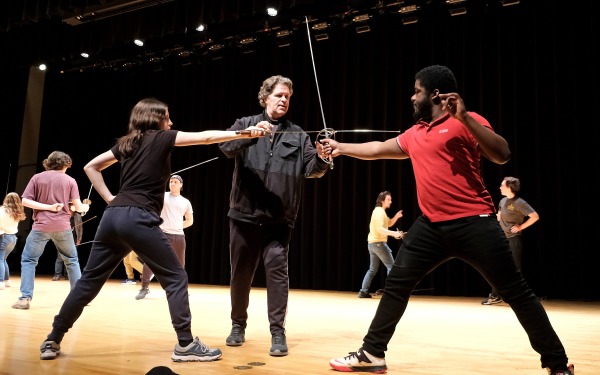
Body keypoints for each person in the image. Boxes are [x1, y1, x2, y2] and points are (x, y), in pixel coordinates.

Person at [322, 65, 573, 375]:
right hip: (430, 226)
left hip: (475, 222)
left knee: (516, 292)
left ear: (435, 94)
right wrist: (340, 148)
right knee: (397, 283)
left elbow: (502, 154)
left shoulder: (466, 121)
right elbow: (376, 149)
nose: (412, 97)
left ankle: (557, 364)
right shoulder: (415, 134)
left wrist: (464, 117)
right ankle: (372, 354)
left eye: (416, 91)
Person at [39, 97, 268, 362]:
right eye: (167, 117)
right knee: (176, 278)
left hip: (112, 218)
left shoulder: (127, 143)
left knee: (88, 283)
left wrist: (111, 199)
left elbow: (91, 166)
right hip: (138, 218)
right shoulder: (161, 137)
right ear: (155, 118)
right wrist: (245, 132)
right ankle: (185, 344)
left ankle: (52, 339)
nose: (171, 122)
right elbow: (205, 138)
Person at [218, 75, 331, 357]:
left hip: (279, 221)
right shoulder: (245, 124)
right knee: (240, 275)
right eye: (279, 95)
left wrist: (322, 157)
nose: (284, 100)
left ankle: (277, 332)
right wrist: (250, 135)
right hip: (243, 216)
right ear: (265, 97)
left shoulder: (299, 134)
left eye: (288, 97)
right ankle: (237, 325)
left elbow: (312, 169)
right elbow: (225, 147)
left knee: (278, 276)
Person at [12, 151, 90, 310]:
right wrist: (84, 207)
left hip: (41, 226)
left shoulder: (38, 178)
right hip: (62, 227)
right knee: (72, 260)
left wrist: (47, 207)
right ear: (66, 164)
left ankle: (24, 298)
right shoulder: (70, 180)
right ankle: (79, 298)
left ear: (49, 163)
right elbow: (78, 207)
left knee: (29, 260)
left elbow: (25, 201)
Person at [482, 176, 540, 305]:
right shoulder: (502, 201)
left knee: (515, 270)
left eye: (502, 185)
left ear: (509, 187)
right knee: (497, 267)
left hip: (514, 239)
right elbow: (499, 216)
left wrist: (521, 226)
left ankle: (520, 298)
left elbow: (535, 216)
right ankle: (495, 296)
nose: (500, 187)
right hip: (502, 239)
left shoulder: (520, 203)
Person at [136, 174, 193, 300]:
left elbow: (190, 220)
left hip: (179, 236)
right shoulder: (163, 196)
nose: (172, 184)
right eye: (171, 181)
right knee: (151, 261)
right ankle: (144, 288)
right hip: (162, 234)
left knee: (180, 265)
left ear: (181, 185)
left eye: (175, 182)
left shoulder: (185, 202)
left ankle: (181, 289)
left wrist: (178, 226)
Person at [358, 191, 404, 299]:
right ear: (382, 200)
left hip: (373, 244)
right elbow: (380, 229)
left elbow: (388, 224)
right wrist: (394, 234)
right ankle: (390, 293)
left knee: (372, 269)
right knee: (391, 267)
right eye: (388, 199)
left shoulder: (381, 211)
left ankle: (363, 292)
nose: (390, 201)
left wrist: (396, 216)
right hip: (378, 244)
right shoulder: (379, 212)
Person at [53, 200, 89, 281]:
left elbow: (80, 229)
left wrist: (79, 239)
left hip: (73, 240)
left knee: (70, 258)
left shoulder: (77, 216)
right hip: (62, 239)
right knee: (59, 258)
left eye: (71, 205)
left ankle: (67, 274)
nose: (70, 207)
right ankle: (57, 274)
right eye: (69, 205)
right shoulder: (62, 215)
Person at [0, 192, 27, 290]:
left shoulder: (3, 211)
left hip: (4, 237)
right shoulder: (17, 212)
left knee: (0, 259)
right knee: (3, 259)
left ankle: (0, 282)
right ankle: (7, 281)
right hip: (13, 238)